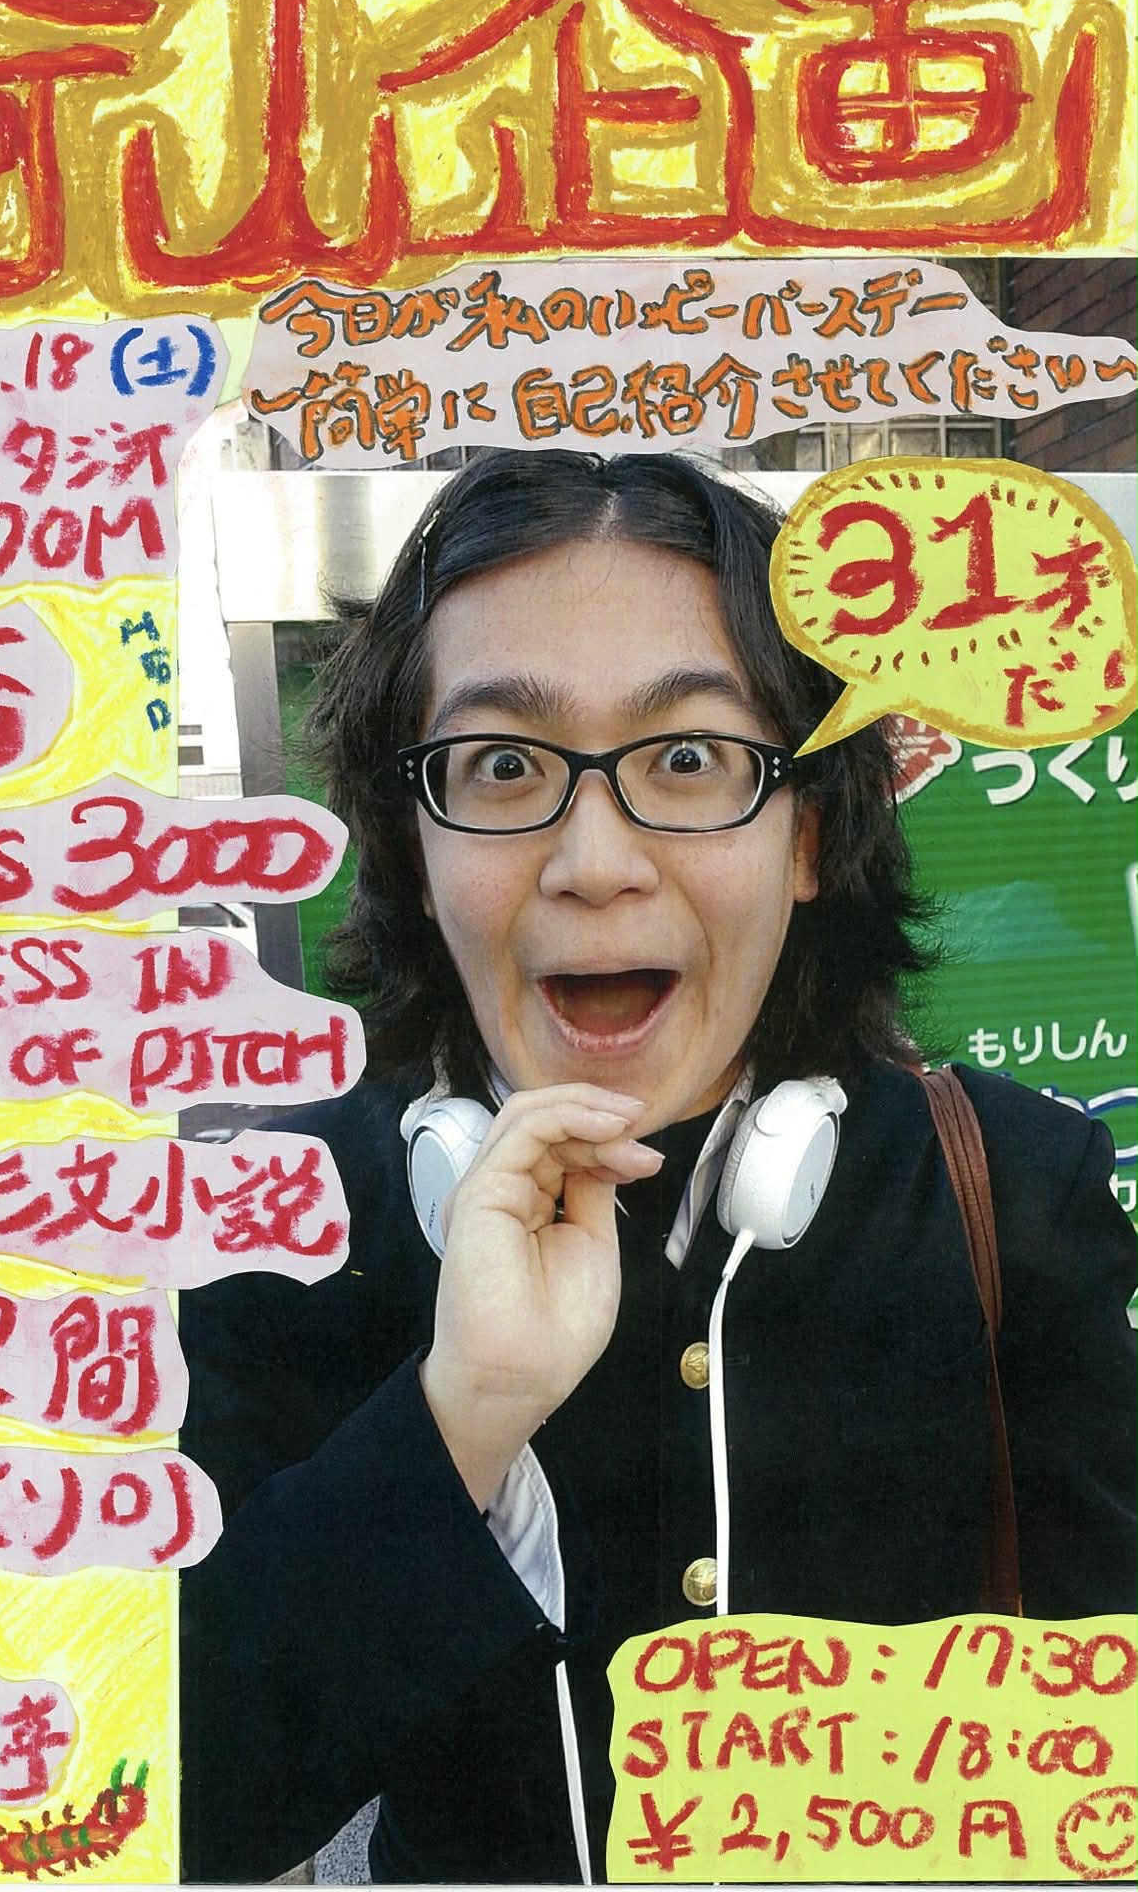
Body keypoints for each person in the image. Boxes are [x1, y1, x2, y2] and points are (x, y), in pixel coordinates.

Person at [179, 450, 1138, 1885]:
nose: (594, 861)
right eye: (501, 765)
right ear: (412, 846)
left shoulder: (1013, 1183)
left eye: (688, 758)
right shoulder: (291, 1221)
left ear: (810, 834)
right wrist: (459, 1418)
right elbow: (174, 1809)